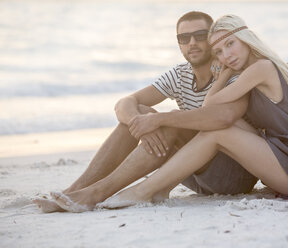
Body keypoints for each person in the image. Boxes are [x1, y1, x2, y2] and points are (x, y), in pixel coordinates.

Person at [92, 14, 288, 210]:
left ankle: (144, 191)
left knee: (218, 131)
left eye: (230, 44)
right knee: (222, 125)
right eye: (219, 52)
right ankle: (148, 189)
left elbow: (209, 105)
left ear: (246, 39)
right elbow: (216, 110)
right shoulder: (261, 69)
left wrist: (223, 72)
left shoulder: (261, 68)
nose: (226, 55)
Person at [34, 11, 257, 213]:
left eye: (200, 35)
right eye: (183, 38)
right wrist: (141, 126)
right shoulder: (180, 75)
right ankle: (75, 190)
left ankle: (95, 194)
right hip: (191, 173)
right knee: (140, 112)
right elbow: (125, 102)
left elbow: (223, 117)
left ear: (211, 39)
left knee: (166, 122)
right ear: (178, 44)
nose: (192, 43)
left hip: (232, 175)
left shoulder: (232, 73)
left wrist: (158, 120)